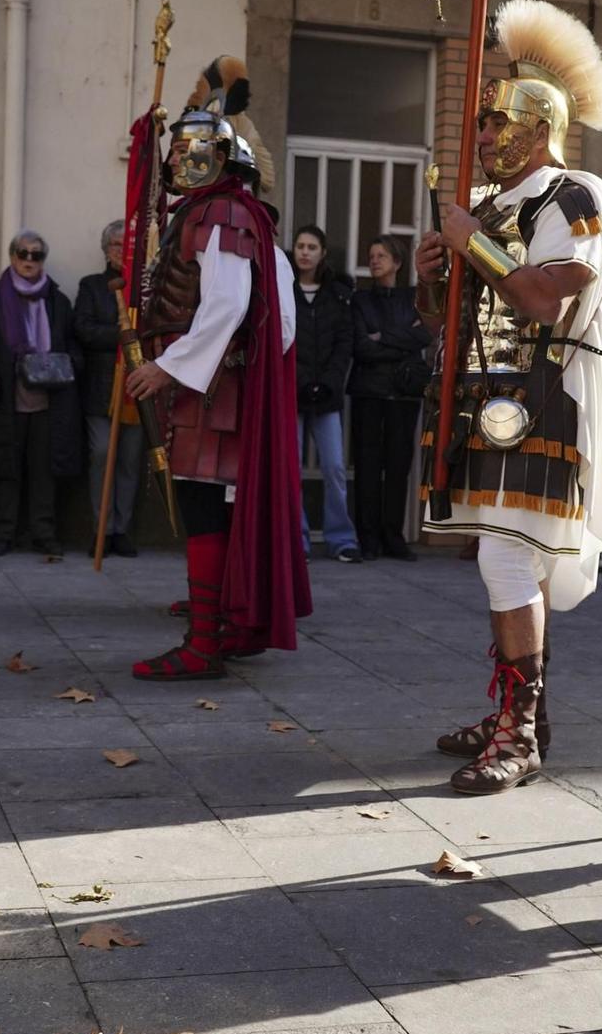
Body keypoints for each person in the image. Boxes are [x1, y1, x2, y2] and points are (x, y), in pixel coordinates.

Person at [416, 0, 602, 794]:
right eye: (482, 128)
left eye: (498, 125)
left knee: (508, 556)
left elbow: (548, 303)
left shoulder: (577, 195)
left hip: (546, 396)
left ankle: (521, 730)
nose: (485, 138)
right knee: (507, 562)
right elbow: (453, 318)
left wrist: (474, 242)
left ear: (539, 126)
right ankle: (515, 709)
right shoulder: (495, 207)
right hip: (485, 400)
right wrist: (438, 276)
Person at [125, 53, 310, 680]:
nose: (175, 162)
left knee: (204, 505)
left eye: (185, 152)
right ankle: (219, 625)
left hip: (214, 391)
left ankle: (204, 644)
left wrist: (170, 368)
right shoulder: (215, 213)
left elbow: (229, 304)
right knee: (212, 506)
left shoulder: (224, 213)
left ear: (218, 157)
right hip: (215, 388)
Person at [0, 231, 81, 558]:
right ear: (12, 256)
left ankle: (43, 533)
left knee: (44, 470)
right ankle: (2, 533)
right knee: (5, 467)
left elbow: (72, 343)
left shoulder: (57, 301)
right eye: (22, 253)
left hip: (49, 399)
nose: (29, 260)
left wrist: (69, 365)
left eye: (36, 255)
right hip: (5, 396)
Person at [347, 233, 431, 561]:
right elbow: (361, 347)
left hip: (404, 393)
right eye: (371, 254)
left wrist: (383, 337)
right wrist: (400, 339)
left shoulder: (414, 297)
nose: (375, 260)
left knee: (399, 466)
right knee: (367, 466)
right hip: (368, 392)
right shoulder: (360, 300)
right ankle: (368, 538)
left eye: (381, 255)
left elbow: (423, 334)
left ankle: (393, 536)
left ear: (397, 262)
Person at [73, 219, 144, 558]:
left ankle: (121, 530)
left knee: (130, 460)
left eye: (126, 245)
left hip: (136, 388)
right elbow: (84, 330)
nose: (121, 251)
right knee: (102, 453)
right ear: (105, 251)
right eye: (116, 246)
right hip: (101, 388)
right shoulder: (91, 287)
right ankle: (101, 526)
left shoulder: (143, 289)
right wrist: (121, 337)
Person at [291, 225, 361, 563]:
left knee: (333, 467)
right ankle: (297, 539)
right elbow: (284, 341)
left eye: (311, 247)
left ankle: (341, 539)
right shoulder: (283, 290)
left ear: (322, 253)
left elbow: (344, 342)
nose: (304, 252)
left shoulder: (337, 294)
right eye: (300, 246)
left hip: (328, 395)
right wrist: (302, 380)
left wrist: (330, 381)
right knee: (291, 469)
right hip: (292, 394)